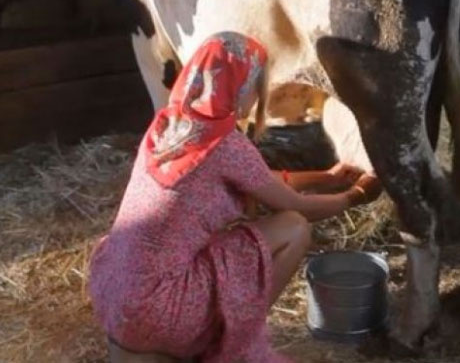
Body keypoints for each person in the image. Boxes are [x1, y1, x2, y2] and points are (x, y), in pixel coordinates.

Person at [89, 31, 382, 363]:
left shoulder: (169, 124)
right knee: (295, 228)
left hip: (115, 292)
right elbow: (297, 207)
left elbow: (260, 180)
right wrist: (356, 196)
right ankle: (236, 341)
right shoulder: (225, 145)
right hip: (161, 309)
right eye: (254, 87)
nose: (256, 99)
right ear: (240, 87)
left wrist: (326, 178)